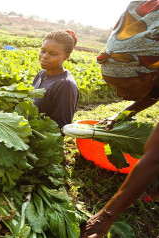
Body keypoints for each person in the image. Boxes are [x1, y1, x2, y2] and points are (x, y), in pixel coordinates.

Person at [80, 0, 159, 237]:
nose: (119, 95)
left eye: (124, 88)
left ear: (151, 76)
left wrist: (104, 217)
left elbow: (154, 158)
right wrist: (122, 113)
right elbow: (154, 94)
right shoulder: (153, 71)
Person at [32, 30, 79, 129]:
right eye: (43, 51)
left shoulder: (66, 85)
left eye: (53, 54)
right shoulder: (41, 74)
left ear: (66, 56)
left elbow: (60, 127)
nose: (45, 56)